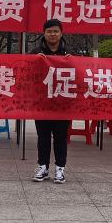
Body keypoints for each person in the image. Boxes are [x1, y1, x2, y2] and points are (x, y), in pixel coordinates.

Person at [33, 19, 70, 184]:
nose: (52, 34)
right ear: (44, 33)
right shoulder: (35, 52)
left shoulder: (70, 53)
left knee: (61, 137)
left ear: (61, 33)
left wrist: (72, 61)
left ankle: (60, 168)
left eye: (55, 31)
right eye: (49, 31)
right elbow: (26, 72)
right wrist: (34, 61)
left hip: (63, 103)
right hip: (42, 103)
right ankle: (43, 166)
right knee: (43, 136)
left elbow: (81, 73)